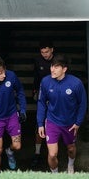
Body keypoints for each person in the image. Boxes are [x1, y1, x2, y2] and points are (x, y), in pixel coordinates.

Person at [37, 54, 87, 174]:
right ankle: (56, 176)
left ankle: (70, 165)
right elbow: (41, 103)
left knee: (70, 149)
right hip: (52, 122)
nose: (52, 70)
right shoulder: (45, 82)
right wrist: (40, 123)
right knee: (52, 154)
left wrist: (78, 122)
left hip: (69, 123)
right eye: (51, 66)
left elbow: (83, 104)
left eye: (56, 67)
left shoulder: (76, 83)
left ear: (64, 69)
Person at [31, 40, 55, 168]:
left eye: (46, 52)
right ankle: (37, 152)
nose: (44, 54)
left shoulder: (58, 61)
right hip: (42, 94)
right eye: (42, 52)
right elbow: (36, 75)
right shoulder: (38, 60)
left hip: (56, 95)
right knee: (39, 125)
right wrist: (34, 90)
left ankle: (55, 151)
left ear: (52, 50)